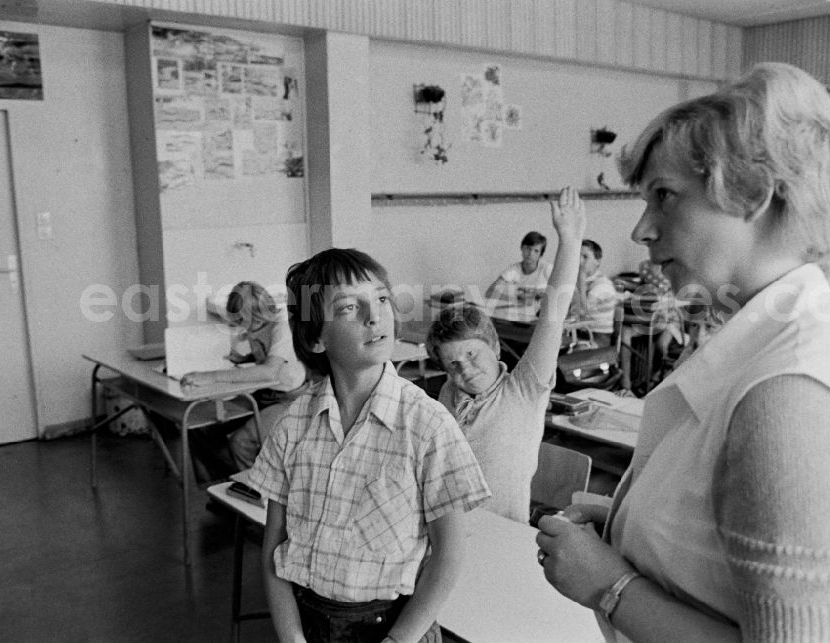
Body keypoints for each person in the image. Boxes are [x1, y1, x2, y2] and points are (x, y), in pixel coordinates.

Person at [536, 62, 830, 642]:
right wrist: (628, 523)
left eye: (664, 197)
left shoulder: (798, 397)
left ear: (753, 196)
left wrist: (608, 587)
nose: (641, 231)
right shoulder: (758, 345)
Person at [244, 249, 490, 643]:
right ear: (315, 338)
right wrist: (292, 638)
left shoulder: (427, 424)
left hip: (395, 627)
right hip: (310, 623)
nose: (374, 317)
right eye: (348, 308)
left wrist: (399, 640)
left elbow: (449, 554)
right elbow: (274, 547)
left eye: (380, 299)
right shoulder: (291, 426)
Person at [426, 187, 585, 523]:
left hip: (505, 533)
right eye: (452, 365)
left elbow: (553, 313)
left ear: (495, 347)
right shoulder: (449, 393)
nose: (465, 370)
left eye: (472, 354)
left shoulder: (524, 388)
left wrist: (570, 240)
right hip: (452, 529)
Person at [179, 281, 309, 471]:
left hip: (291, 399)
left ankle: (250, 493)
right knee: (200, 428)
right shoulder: (254, 327)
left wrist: (211, 376)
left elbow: (269, 371)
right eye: (239, 321)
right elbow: (256, 359)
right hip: (264, 394)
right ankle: (223, 484)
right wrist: (240, 354)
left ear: (259, 315)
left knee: (241, 442)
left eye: (244, 321)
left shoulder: (282, 327)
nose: (243, 327)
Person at [569, 239, 618, 347]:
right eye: (577, 256)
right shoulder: (578, 281)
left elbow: (581, 312)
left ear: (598, 261)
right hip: (579, 334)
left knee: (562, 355)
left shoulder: (603, 285)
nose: (579, 261)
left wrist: (581, 280)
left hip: (598, 338)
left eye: (585, 257)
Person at [485, 230, 553, 301]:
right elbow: (489, 292)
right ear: (522, 248)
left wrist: (538, 294)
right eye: (528, 248)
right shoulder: (514, 270)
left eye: (536, 251)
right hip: (524, 309)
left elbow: (561, 292)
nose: (530, 254)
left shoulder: (547, 269)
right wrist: (516, 298)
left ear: (541, 254)